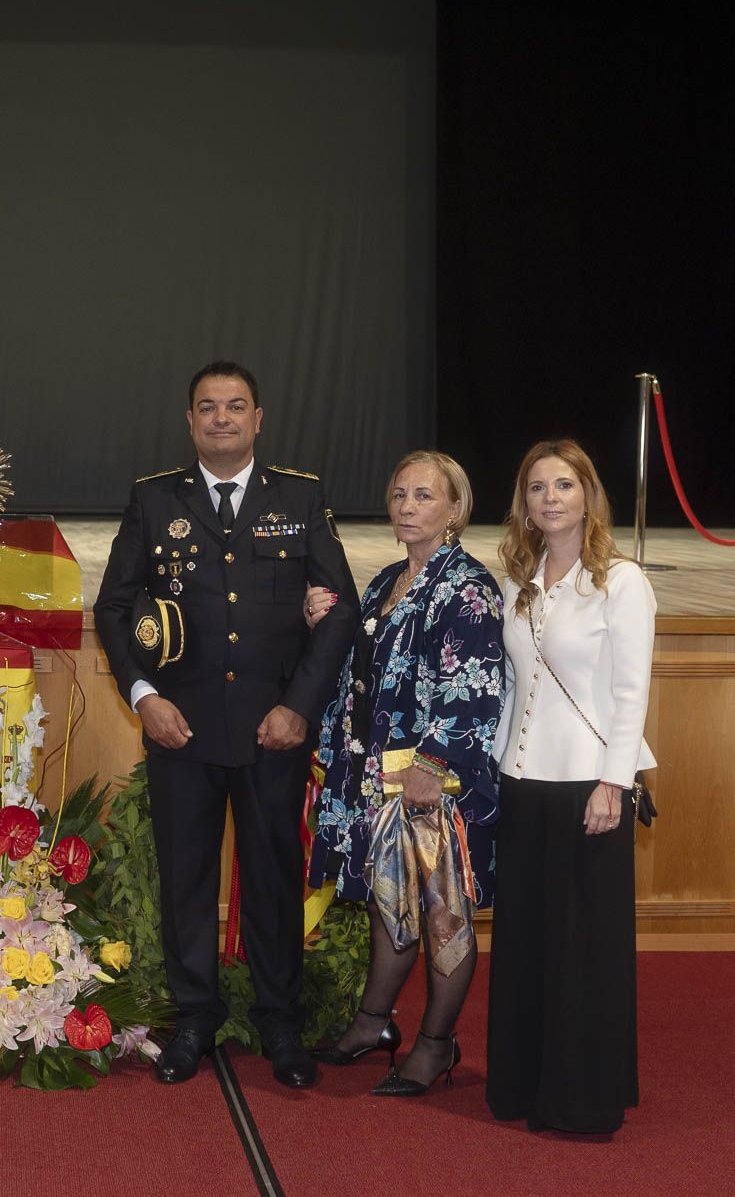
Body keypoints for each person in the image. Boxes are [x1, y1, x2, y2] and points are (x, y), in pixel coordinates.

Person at [94, 360, 356, 1088]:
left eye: (235, 406)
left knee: (273, 879)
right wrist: (144, 694)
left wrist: (298, 706)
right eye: (207, 408)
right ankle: (195, 1018)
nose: (221, 419)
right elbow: (113, 609)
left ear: (258, 418)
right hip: (182, 728)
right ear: (189, 421)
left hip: (273, 730)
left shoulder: (299, 498)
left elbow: (339, 610)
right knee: (186, 880)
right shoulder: (154, 501)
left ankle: (280, 1021)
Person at [305, 450, 504, 1095]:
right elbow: (362, 671)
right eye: (399, 495)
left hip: (431, 783)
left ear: (455, 509)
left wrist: (434, 762)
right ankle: (373, 1024)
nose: (407, 506)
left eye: (423, 496)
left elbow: (474, 688)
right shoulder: (391, 576)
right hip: (379, 776)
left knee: (444, 911)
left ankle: (437, 1045)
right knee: (392, 904)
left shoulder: (468, 586)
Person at [485, 438, 655, 1134]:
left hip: (588, 784)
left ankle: (581, 1098)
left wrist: (613, 785)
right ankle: (523, 1086)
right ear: (523, 504)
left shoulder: (621, 581)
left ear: (588, 494)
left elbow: (630, 691)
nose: (549, 498)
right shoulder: (521, 581)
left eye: (563, 485)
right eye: (536, 488)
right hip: (522, 784)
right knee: (527, 943)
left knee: (583, 950)